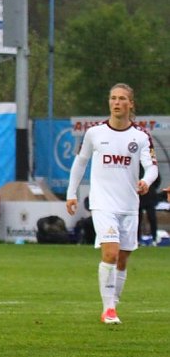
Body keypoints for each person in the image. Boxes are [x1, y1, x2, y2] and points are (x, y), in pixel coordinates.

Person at [66, 83, 157, 325]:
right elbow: (80, 163)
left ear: (130, 104)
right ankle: (108, 310)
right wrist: (71, 193)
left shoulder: (140, 137)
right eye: (113, 98)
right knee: (111, 253)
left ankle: (113, 303)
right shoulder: (94, 133)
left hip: (128, 204)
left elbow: (152, 167)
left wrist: (146, 181)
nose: (116, 102)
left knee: (123, 258)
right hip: (102, 203)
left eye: (121, 99)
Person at [138, 167, 161, 243]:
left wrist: (151, 188)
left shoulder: (152, 167)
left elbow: (157, 180)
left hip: (150, 197)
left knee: (152, 218)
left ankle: (154, 238)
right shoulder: (136, 166)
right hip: (139, 197)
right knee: (138, 219)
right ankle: (137, 239)